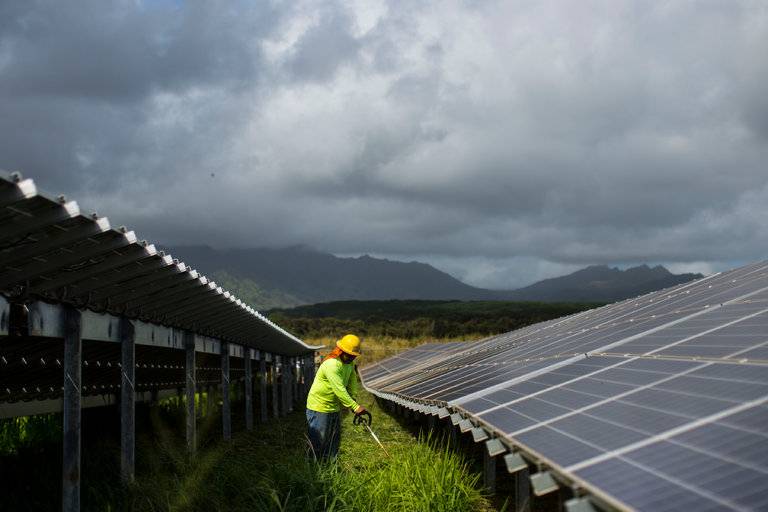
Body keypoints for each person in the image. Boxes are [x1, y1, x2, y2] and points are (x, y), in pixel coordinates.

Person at [305, 334, 370, 461]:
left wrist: (353, 397)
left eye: (353, 355)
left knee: (333, 439)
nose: (351, 358)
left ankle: (330, 466)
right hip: (319, 406)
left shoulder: (349, 364)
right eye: (349, 355)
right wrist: (354, 406)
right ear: (340, 351)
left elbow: (352, 381)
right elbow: (338, 389)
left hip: (334, 407)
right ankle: (312, 468)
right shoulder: (332, 364)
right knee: (319, 439)